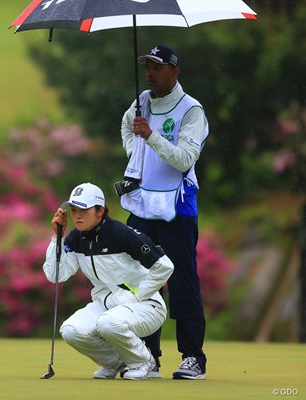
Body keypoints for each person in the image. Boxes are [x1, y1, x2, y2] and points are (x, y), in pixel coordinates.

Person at [115, 44, 209, 380]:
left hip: (176, 208)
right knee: (140, 283)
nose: (151, 73)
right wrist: (135, 150)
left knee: (181, 281)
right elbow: (128, 126)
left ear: (175, 71)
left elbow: (184, 159)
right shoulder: (141, 100)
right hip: (142, 206)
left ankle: (193, 357)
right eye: (148, 66)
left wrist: (150, 136)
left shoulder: (191, 110)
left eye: (157, 67)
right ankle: (147, 357)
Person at [43, 182, 174, 380]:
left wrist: (139, 296)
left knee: (107, 323)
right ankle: (115, 363)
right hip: (106, 305)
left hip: (147, 306)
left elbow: (165, 266)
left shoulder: (121, 233)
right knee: (71, 330)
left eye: (84, 210)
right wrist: (57, 238)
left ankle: (144, 361)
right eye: (74, 209)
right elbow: (56, 275)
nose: (77, 215)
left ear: (100, 210)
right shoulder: (75, 239)